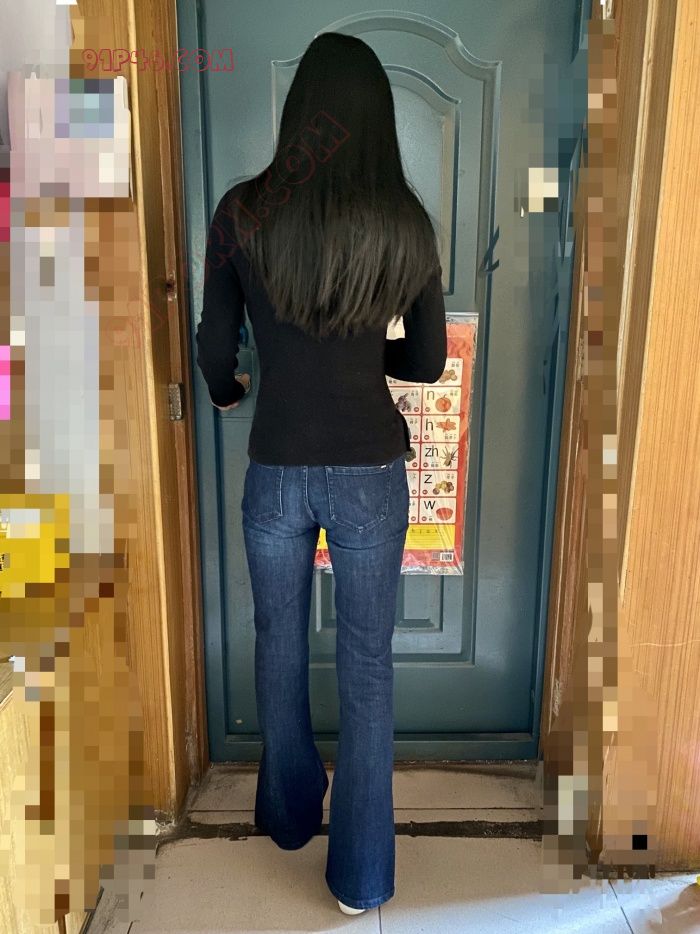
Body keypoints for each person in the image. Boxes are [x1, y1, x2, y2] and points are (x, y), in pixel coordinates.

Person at [195, 31, 447, 915]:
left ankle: (292, 815)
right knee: (369, 666)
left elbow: (213, 346)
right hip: (370, 469)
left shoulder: (241, 212)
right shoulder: (404, 223)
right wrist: (363, 357)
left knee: (277, 643)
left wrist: (228, 389)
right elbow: (425, 363)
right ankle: (361, 877)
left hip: (276, 470)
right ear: (378, 118)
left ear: (300, 112)